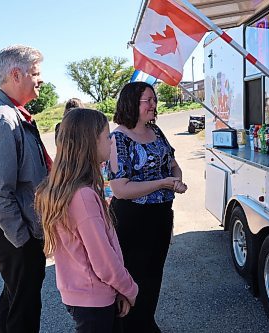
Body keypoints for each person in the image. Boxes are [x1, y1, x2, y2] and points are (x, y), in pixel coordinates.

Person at [35, 108, 138, 333]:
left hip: (83, 296)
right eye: (106, 135)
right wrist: (129, 289)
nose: (112, 142)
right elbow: (103, 261)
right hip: (94, 299)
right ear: (90, 143)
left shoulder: (67, 189)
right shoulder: (82, 196)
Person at [0, 44, 49, 333]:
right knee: (25, 310)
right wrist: (24, 240)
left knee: (15, 297)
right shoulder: (2, 120)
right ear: (16, 74)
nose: (40, 79)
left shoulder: (14, 114)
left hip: (16, 230)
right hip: (13, 233)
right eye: (36, 73)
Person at [107, 82, 188, 333]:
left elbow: (172, 163)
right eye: (148, 100)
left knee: (154, 274)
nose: (154, 105)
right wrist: (162, 182)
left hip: (160, 216)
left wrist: (176, 178)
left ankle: (145, 322)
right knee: (132, 278)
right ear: (132, 103)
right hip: (132, 220)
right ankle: (131, 327)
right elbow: (120, 188)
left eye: (154, 100)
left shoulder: (156, 131)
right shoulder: (118, 138)